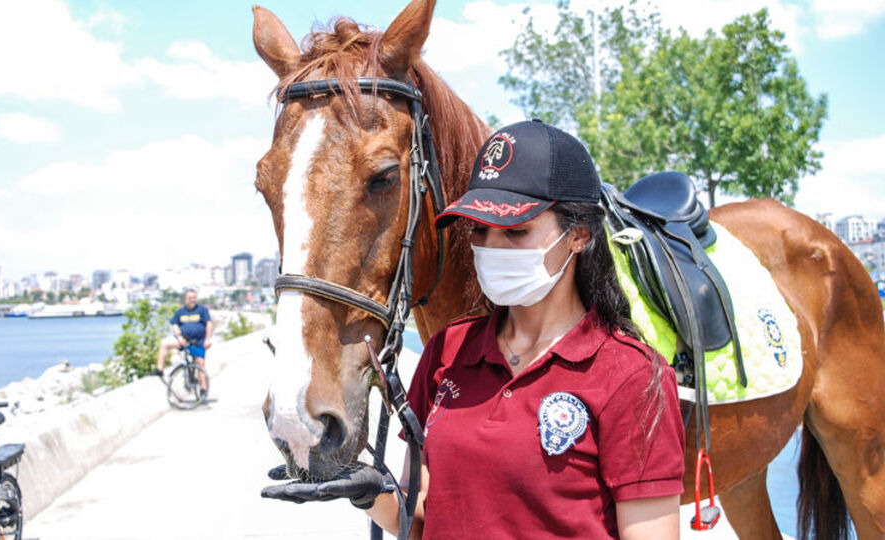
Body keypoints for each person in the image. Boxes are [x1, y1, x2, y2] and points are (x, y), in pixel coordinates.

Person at [263, 120, 685, 539]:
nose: (491, 248)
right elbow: (421, 524)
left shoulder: (632, 375)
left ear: (577, 235)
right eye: (480, 229)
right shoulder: (447, 350)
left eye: (515, 231)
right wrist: (370, 492)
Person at [154, 289, 212, 394]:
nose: (192, 300)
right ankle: (159, 369)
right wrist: (179, 336)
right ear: (185, 299)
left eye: (194, 297)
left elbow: (208, 324)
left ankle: (203, 388)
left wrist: (208, 339)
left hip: (197, 341)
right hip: (183, 340)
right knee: (164, 344)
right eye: (190, 298)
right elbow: (175, 325)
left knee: (200, 363)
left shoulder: (202, 310)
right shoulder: (180, 312)